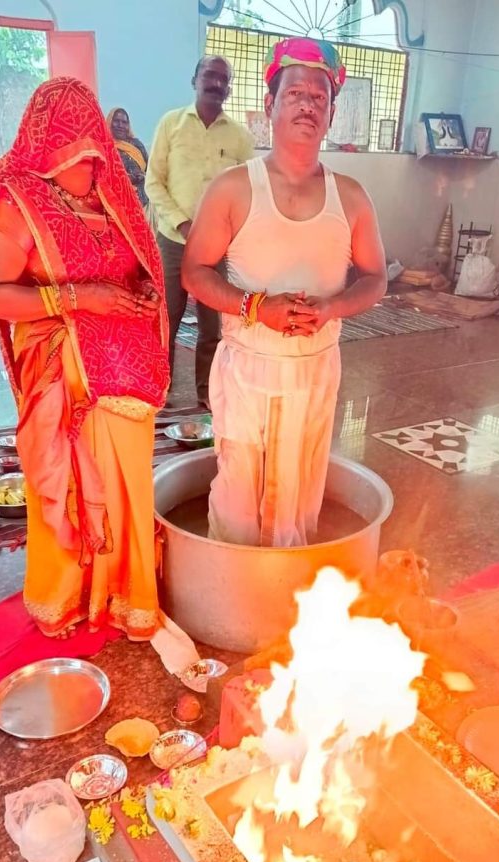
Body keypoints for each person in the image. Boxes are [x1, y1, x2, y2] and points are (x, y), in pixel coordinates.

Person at [0, 77, 170, 640]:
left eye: (91, 143)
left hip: (125, 368)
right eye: (72, 143)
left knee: (128, 481)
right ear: (44, 141)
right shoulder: (15, 202)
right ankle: (66, 596)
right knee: (72, 486)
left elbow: (135, 269)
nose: (87, 156)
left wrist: (144, 291)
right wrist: (80, 300)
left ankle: (126, 594)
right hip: (64, 371)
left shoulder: (111, 195)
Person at [182, 37, 386, 547]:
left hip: (315, 371)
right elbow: (195, 272)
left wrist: (332, 307)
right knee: (238, 502)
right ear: (270, 104)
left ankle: (287, 588)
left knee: (299, 496)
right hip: (248, 371)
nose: (307, 105)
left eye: (319, 97)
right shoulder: (233, 188)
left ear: (331, 114)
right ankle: (226, 586)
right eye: (295, 93)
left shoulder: (352, 197)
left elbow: (376, 278)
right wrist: (255, 307)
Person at [145, 55, 254, 408]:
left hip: (218, 247)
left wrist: (227, 233)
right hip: (173, 241)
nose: (217, 83)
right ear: (195, 80)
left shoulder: (240, 137)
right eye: (210, 75)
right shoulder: (171, 124)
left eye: (224, 79)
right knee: (167, 320)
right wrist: (183, 223)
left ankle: (208, 392)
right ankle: (159, 391)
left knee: (212, 325)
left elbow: (247, 190)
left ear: (229, 88)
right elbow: (153, 182)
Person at [107, 107, 149, 207]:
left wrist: (142, 177)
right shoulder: (106, 146)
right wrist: (130, 178)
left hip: (144, 200)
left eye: (124, 122)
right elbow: (106, 176)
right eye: (116, 121)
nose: (120, 125)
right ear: (110, 122)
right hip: (119, 202)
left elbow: (150, 171)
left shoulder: (137, 144)